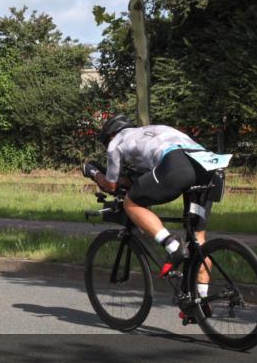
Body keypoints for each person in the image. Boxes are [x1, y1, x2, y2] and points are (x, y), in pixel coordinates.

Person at [82, 115, 216, 311]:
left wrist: (92, 172)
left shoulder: (115, 144)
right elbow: (141, 179)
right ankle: (201, 300)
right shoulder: (152, 130)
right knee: (197, 238)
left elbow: (111, 185)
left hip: (177, 165)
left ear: (110, 135)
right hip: (207, 165)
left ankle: (172, 246)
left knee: (131, 203)